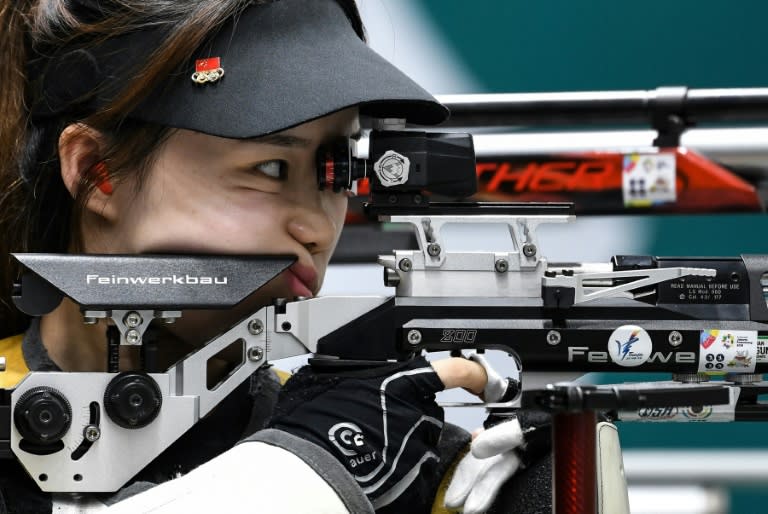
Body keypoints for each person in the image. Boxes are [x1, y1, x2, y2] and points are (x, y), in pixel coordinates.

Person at [0, 1, 551, 513]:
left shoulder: (381, 457)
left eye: (336, 176)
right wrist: (301, 472)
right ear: (97, 170)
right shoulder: (332, 452)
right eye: (269, 168)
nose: (316, 227)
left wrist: (548, 482)